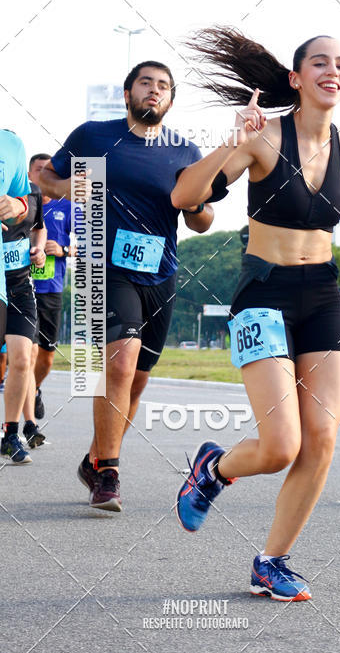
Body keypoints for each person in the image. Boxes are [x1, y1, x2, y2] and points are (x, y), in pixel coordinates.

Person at [171, 28, 340, 602]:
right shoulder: (263, 139)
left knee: (321, 439)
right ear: (296, 78)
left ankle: (273, 560)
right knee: (280, 446)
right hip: (264, 292)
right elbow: (185, 197)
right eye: (319, 62)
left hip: (322, 295)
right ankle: (212, 471)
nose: (331, 70)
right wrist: (231, 141)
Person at [39, 62, 214, 511]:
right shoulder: (94, 136)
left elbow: (202, 220)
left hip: (161, 272)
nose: (154, 91)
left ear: (170, 100)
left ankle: (94, 458)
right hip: (106, 269)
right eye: (146, 84)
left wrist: (196, 206)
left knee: (135, 382)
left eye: (163, 87)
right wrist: (72, 187)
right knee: (118, 367)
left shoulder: (185, 151)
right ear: (127, 93)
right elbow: (47, 179)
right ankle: (110, 473)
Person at [26, 154, 73, 424]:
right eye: (39, 170)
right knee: (25, 351)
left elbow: (90, 245)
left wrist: (64, 249)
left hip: (51, 290)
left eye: (48, 170)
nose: (44, 175)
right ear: (31, 175)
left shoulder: (66, 207)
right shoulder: (19, 203)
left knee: (46, 356)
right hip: (20, 287)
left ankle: (33, 389)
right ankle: (22, 419)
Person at [3, 179, 47, 453]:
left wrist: (39, 249)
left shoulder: (33, 192)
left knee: (21, 359)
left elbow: (39, 228)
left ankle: (11, 435)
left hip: (20, 287)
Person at [0, 129, 31, 464]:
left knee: (23, 357)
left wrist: (18, 204)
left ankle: (12, 432)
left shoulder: (11, 144)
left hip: (16, 281)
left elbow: (28, 205)